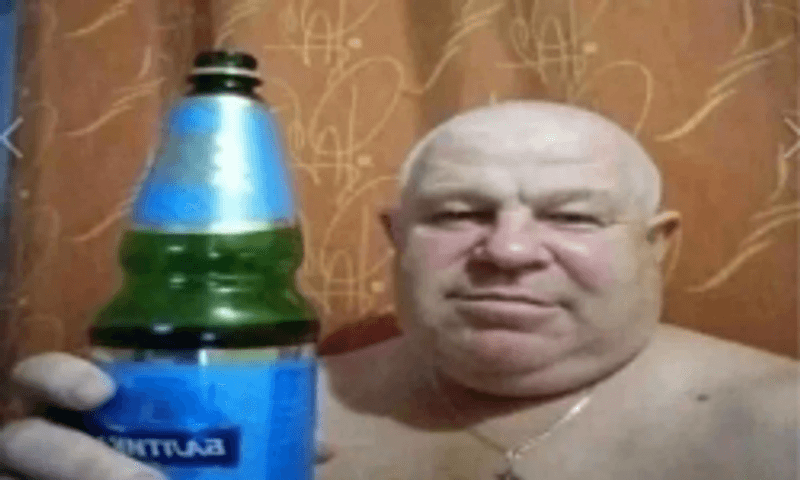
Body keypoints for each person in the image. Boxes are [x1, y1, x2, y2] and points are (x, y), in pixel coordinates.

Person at [1, 101, 797, 480]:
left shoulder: (779, 426)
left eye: (573, 216)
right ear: (397, 239)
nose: (508, 251)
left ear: (658, 245)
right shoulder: (258, 415)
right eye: (458, 212)